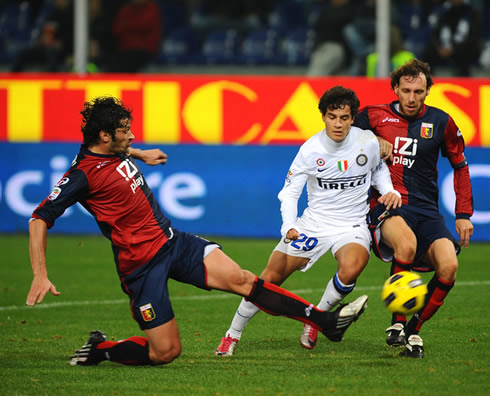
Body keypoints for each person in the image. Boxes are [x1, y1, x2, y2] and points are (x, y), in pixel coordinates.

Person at [25, 96, 369, 367]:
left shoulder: (113, 150)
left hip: (173, 243)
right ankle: (101, 349)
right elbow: (39, 217)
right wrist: (40, 274)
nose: (131, 134)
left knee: (244, 280)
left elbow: (118, 153)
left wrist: (139, 153)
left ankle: (324, 320)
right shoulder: (82, 175)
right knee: (165, 352)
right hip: (141, 266)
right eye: (125, 130)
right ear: (104, 136)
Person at [215, 86, 402, 356]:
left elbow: (378, 170)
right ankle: (232, 335)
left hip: (351, 225)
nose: (338, 124)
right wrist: (288, 225)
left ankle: (317, 319)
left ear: (352, 118)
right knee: (269, 280)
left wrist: (389, 190)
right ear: (323, 117)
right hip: (313, 224)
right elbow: (291, 191)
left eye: (344, 118)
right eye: (332, 117)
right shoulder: (310, 150)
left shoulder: (368, 142)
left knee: (352, 267)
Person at [353, 59, 474, 358]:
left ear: (428, 91)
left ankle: (413, 330)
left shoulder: (442, 122)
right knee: (405, 246)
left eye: (418, 91)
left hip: (427, 211)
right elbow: (343, 137)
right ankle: (397, 323)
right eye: (406, 90)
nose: (411, 98)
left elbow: (460, 166)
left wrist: (463, 215)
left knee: (449, 266)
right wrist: (372, 137)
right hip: (388, 204)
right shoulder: (373, 115)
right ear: (395, 88)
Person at [106, 0, 161, 73]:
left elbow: (144, 26)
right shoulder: (126, 9)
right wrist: (131, 26)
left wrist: (127, 24)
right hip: (124, 50)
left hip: (143, 50)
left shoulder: (151, 8)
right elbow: (116, 29)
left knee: (125, 63)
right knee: (112, 63)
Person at [305, 0, 353, 76]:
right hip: (323, 47)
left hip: (335, 47)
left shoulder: (349, 13)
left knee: (314, 77)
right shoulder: (326, 11)